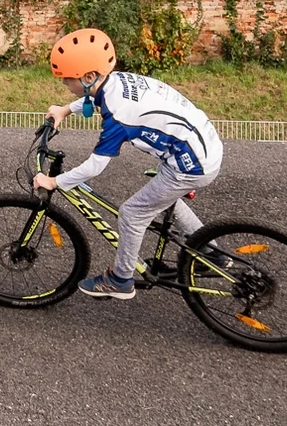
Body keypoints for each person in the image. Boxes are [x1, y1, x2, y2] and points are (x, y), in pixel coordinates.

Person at [33, 28, 224, 300]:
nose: (64, 83)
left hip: (191, 164)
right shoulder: (117, 80)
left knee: (132, 213)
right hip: (202, 145)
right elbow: (95, 99)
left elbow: (95, 167)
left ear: (88, 77)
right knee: (163, 196)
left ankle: (120, 279)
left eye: (66, 79)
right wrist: (65, 110)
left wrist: (53, 182)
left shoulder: (119, 116)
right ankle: (211, 253)